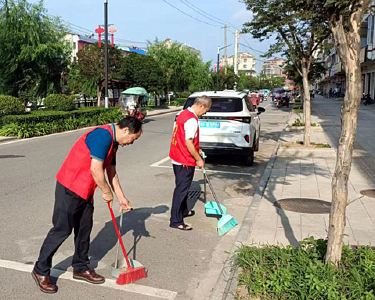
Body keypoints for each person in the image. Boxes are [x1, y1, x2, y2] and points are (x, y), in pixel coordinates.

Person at [32, 117, 142, 294]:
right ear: (126, 131)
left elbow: (111, 172)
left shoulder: (114, 143)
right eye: (133, 139)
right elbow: (95, 169)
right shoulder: (102, 136)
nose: (132, 143)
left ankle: (80, 267)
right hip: (70, 187)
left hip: (85, 190)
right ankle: (40, 269)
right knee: (61, 230)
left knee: (84, 230)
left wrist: (121, 197)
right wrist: (106, 191)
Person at [169, 96, 212, 231]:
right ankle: (176, 220)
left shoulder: (182, 114)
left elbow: (180, 135)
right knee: (181, 190)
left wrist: (197, 149)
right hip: (184, 160)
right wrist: (198, 159)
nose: (204, 114)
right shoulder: (192, 119)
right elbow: (188, 142)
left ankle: (184, 211)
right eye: (206, 111)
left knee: (182, 187)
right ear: (201, 106)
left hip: (176, 156)